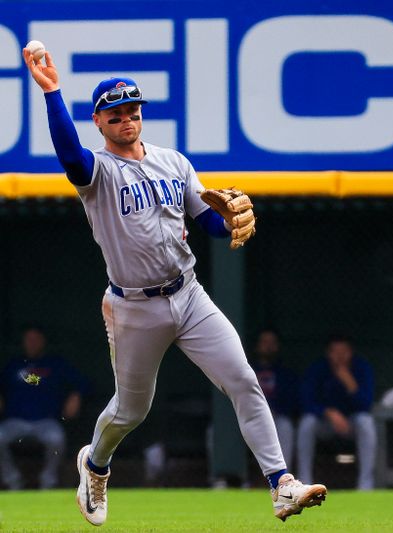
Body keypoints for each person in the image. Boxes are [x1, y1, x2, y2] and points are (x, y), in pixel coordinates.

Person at [23, 48, 325, 525]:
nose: (127, 120)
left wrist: (229, 222)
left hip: (188, 294)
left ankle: (281, 485)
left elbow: (209, 222)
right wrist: (51, 90)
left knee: (244, 380)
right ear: (98, 122)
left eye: (133, 111)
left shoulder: (174, 162)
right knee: (130, 411)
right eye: (115, 114)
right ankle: (95, 465)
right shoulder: (97, 173)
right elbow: (68, 153)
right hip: (134, 308)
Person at [0, 327, 90, 490]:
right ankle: (12, 480)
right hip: (14, 421)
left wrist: (76, 395)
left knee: (56, 439)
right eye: (29, 339)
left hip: (46, 421)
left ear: (43, 342)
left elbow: (83, 383)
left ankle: (48, 480)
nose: (32, 343)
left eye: (36, 339)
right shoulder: (13, 365)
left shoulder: (55, 364)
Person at [297, 335, 377, 490]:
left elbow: (366, 405)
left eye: (344, 352)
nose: (340, 357)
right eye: (336, 352)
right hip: (325, 424)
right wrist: (328, 412)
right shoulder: (318, 368)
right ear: (328, 353)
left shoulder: (361, 368)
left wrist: (350, 384)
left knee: (366, 422)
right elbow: (306, 402)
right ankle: (304, 483)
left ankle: (366, 485)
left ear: (351, 353)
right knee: (307, 423)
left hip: (351, 424)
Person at [251, 329, 300, 471]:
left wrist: (273, 410)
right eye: (264, 342)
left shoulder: (285, 372)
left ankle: (284, 479)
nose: (268, 346)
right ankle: (227, 478)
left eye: (272, 343)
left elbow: (292, 400)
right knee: (219, 430)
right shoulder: (247, 368)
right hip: (246, 416)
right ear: (257, 345)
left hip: (276, 416)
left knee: (285, 426)